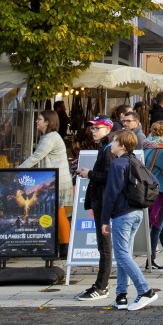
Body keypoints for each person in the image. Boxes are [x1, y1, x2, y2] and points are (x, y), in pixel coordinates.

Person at [99, 130, 159, 311]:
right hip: (137, 212)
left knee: (122, 255)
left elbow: (111, 194)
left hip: (123, 214)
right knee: (125, 253)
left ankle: (145, 290)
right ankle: (121, 295)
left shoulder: (118, 164)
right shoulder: (135, 161)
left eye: (115, 141)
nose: (111, 144)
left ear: (122, 146)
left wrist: (104, 219)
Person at [19, 110, 73, 249]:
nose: (37, 121)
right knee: (57, 212)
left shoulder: (50, 138)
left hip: (58, 180)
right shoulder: (48, 137)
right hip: (54, 179)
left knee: (59, 211)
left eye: (40, 119)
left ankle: (65, 246)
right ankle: (61, 244)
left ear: (48, 122)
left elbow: (36, 156)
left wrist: (17, 170)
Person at [75, 117, 116, 302]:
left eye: (97, 128)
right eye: (92, 128)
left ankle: (102, 286)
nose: (93, 131)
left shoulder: (109, 149)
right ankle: (101, 284)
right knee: (104, 246)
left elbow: (108, 176)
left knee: (105, 246)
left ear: (107, 130)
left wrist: (88, 174)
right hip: (101, 201)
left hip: (104, 202)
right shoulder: (106, 147)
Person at [143, 120, 163, 271]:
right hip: (159, 190)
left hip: (147, 190)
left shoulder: (145, 146)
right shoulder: (160, 150)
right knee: (157, 227)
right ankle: (151, 260)